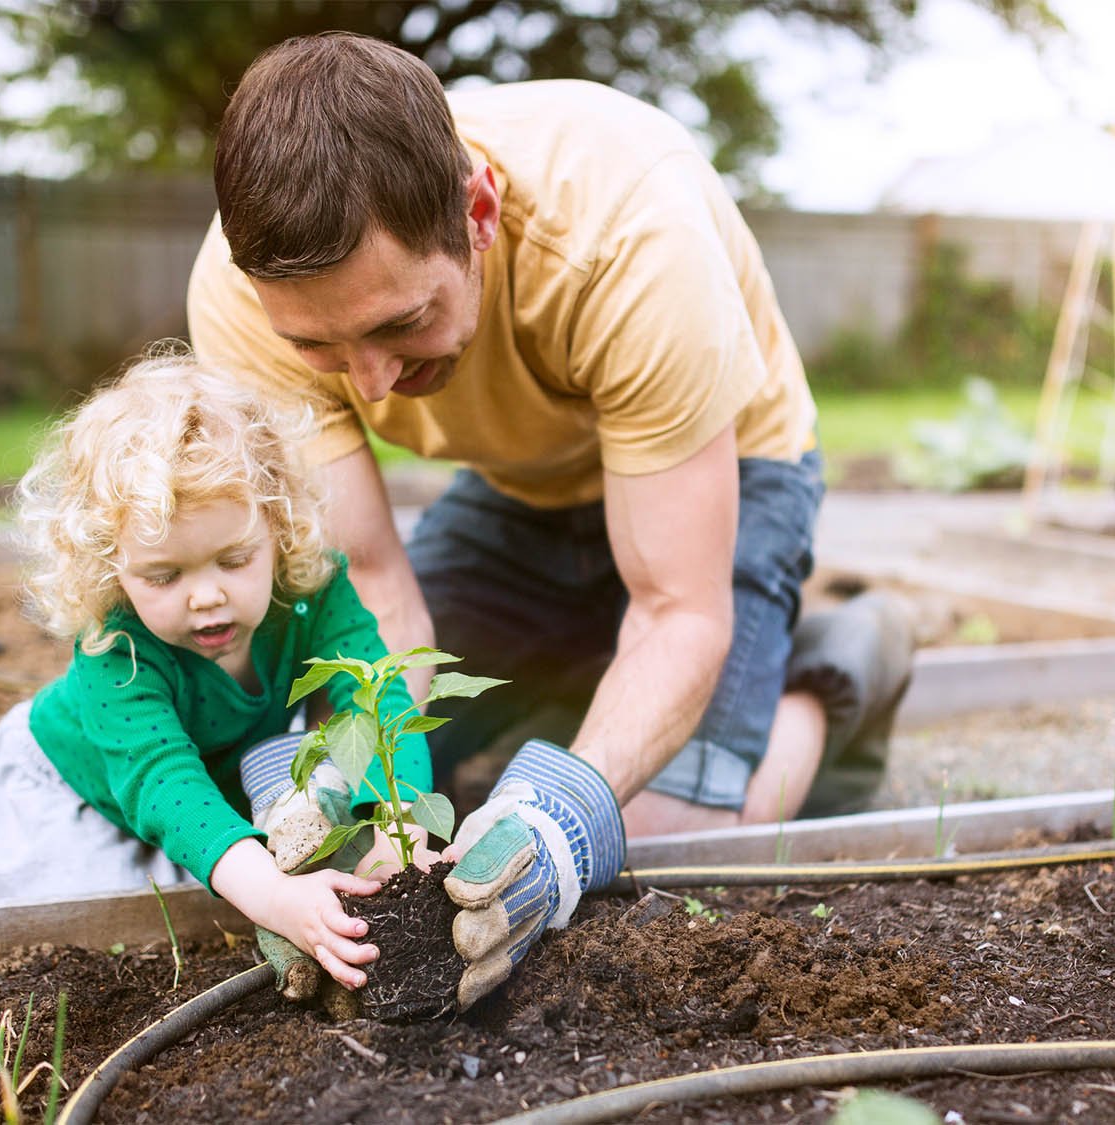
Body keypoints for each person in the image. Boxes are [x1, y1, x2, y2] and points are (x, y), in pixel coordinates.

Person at [187, 33, 914, 1008]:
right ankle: (577, 680)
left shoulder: (629, 237)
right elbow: (375, 588)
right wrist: (347, 813)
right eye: (322, 346)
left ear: (479, 214)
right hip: (520, 490)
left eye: (402, 323)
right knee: (358, 807)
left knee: (663, 835)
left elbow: (675, 610)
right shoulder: (244, 301)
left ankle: (834, 672)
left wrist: (565, 818)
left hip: (727, 470)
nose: (371, 382)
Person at [0, 347, 437, 992]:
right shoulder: (116, 651)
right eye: (164, 576)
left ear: (278, 527)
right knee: (99, 935)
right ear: (109, 566)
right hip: (69, 789)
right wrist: (275, 900)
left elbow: (377, 699)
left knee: (233, 880)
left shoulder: (312, 591)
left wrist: (400, 831)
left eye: (233, 560)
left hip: (207, 771)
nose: (205, 596)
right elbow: (163, 783)